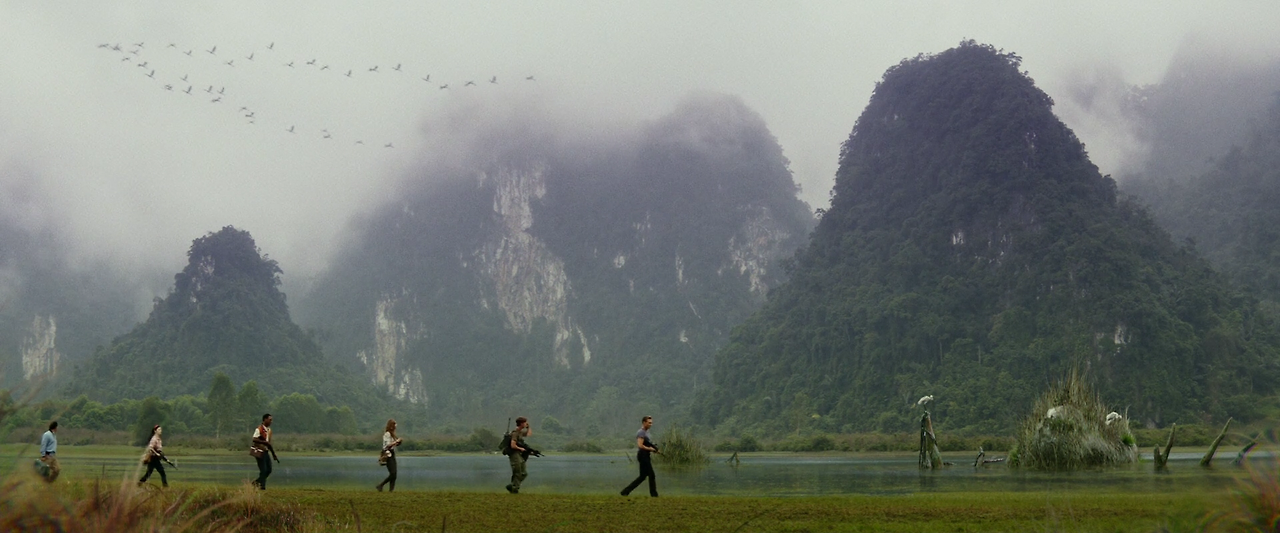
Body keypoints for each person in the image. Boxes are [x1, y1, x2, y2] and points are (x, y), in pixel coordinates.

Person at [621, 415, 660, 497]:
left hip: (646, 455)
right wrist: (650, 449)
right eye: (649, 423)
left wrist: (654, 449)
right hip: (643, 455)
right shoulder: (641, 432)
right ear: (644, 422)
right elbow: (640, 445)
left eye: (651, 423)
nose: (650, 424)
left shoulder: (647, 432)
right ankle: (654, 494)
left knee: (642, 477)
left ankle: (625, 491)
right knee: (651, 475)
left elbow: (648, 444)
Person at [251, 413, 279, 490]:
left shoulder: (269, 430)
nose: (271, 421)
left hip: (266, 452)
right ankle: (262, 486)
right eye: (270, 420)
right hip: (260, 451)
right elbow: (254, 439)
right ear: (265, 419)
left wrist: (273, 454)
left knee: (269, 470)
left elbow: (269, 444)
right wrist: (264, 442)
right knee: (263, 470)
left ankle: (256, 483)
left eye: (271, 420)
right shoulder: (259, 429)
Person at [505, 416, 533, 494]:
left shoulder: (520, 432)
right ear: (521, 423)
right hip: (514, 454)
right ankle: (514, 488)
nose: (526, 424)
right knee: (517, 472)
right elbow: (513, 445)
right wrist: (520, 449)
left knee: (524, 473)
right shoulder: (515, 433)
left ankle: (512, 486)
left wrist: (528, 427)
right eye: (525, 422)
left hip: (519, 454)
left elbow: (529, 434)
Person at [376, 418, 402, 492]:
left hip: (392, 453)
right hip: (387, 453)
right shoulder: (387, 434)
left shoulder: (392, 434)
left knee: (394, 474)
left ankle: (391, 490)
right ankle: (380, 485)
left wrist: (398, 443)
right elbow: (388, 445)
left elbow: (393, 445)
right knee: (393, 473)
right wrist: (396, 441)